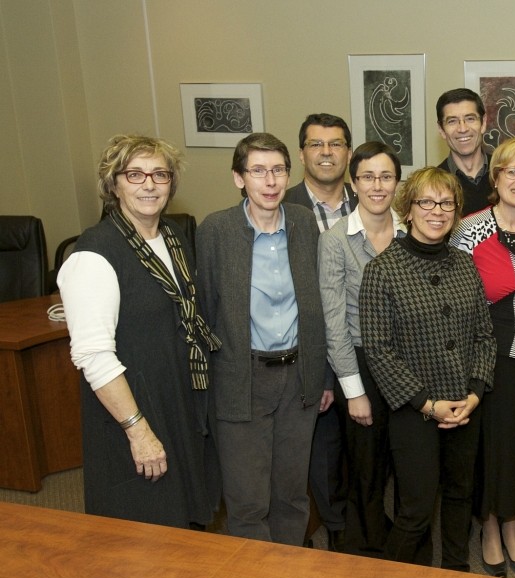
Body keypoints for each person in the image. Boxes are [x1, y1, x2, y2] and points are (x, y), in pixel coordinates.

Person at [58, 134, 220, 527]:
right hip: (134, 410)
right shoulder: (93, 255)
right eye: (135, 174)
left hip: (178, 400)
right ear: (113, 184)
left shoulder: (173, 238)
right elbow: (93, 356)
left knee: (188, 522)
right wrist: (138, 431)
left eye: (159, 174)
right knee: (147, 531)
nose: (149, 184)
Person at [197, 132, 330, 546]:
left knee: (291, 495)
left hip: (298, 378)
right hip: (242, 378)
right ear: (239, 178)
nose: (270, 181)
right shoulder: (216, 230)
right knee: (248, 501)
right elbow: (202, 311)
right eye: (258, 171)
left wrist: (323, 376)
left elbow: (321, 306)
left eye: (277, 170)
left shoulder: (305, 223)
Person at [360, 166, 495, 571]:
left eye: (446, 203)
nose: (437, 211)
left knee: (459, 499)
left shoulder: (464, 264)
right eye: (427, 202)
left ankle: (457, 575)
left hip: (465, 406)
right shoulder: (382, 271)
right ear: (408, 208)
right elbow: (379, 351)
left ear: (455, 212)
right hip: (415, 412)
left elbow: (484, 336)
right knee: (416, 511)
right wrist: (427, 403)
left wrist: (474, 393)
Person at [452, 138, 515, 578]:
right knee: (490, 449)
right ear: (495, 177)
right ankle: (490, 529)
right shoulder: (468, 229)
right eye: (513, 172)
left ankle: (513, 527)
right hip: (484, 357)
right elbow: (451, 300)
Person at [318, 142, 405, 557]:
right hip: (361, 364)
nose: (377, 185)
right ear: (354, 183)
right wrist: (354, 391)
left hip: (409, 366)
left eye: (386, 176)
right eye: (368, 176)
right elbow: (334, 324)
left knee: (402, 463)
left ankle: (401, 544)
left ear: (397, 183)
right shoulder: (335, 241)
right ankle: (367, 553)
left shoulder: (412, 232)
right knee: (366, 468)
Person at [285, 113, 357, 551]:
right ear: (301, 153)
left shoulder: (372, 197)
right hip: (309, 351)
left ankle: (359, 520)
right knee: (321, 452)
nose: (326, 152)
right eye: (316, 144)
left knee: (364, 448)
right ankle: (334, 529)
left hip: (365, 344)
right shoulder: (281, 204)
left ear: (348, 152)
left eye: (335, 144)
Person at [436, 88, 493, 216]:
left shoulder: (506, 174)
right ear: (441, 130)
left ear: (483, 123)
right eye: (452, 121)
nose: (462, 129)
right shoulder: (433, 184)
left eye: (470, 119)